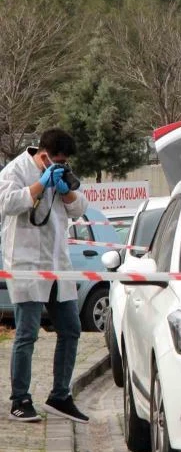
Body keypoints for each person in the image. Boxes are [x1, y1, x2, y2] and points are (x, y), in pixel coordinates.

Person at [0, 129, 90, 423]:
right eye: (56, 160)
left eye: (65, 161)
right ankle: (20, 399)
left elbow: (79, 208)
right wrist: (40, 185)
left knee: (71, 329)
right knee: (27, 334)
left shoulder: (62, 171)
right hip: (26, 264)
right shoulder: (16, 169)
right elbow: (8, 204)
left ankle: (60, 395)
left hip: (57, 264)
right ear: (42, 153)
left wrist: (65, 188)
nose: (60, 165)